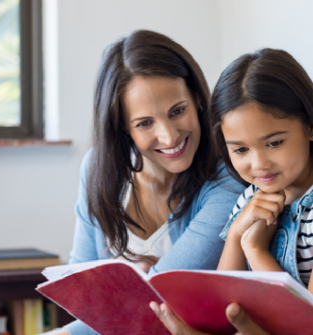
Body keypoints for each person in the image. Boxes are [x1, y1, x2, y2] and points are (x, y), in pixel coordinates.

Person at [54, 29, 245, 335]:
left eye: (177, 111)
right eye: (145, 123)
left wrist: (124, 283)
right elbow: (81, 293)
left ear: (197, 97)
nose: (169, 136)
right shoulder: (97, 168)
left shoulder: (228, 179)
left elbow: (154, 303)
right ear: (121, 127)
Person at [209, 48, 313, 294]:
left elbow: (307, 323)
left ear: (310, 126)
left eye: (274, 143)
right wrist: (236, 234)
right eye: (241, 150)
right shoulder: (250, 199)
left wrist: (254, 248)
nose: (259, 165)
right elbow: (223, 302)